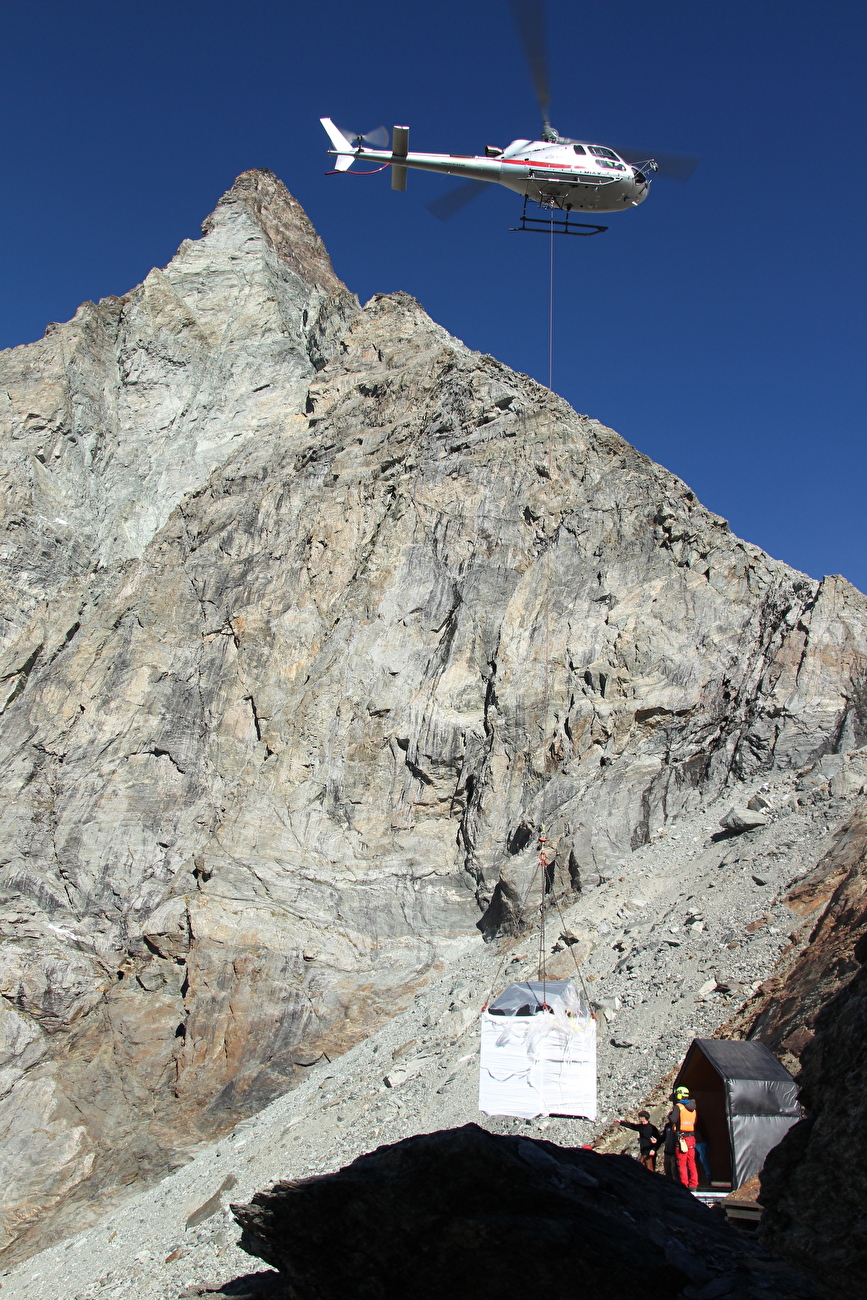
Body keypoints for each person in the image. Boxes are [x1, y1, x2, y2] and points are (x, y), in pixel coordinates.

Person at [668, 1085, 699, 1190]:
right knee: (691, 1162)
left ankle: (684, 1185)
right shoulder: (693, 1109)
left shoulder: (679, 1106)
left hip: (682, 1139)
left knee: (682, 1162)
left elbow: (673, 1119)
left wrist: (670, 1115)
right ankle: (694, 1184)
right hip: (691, 1138)